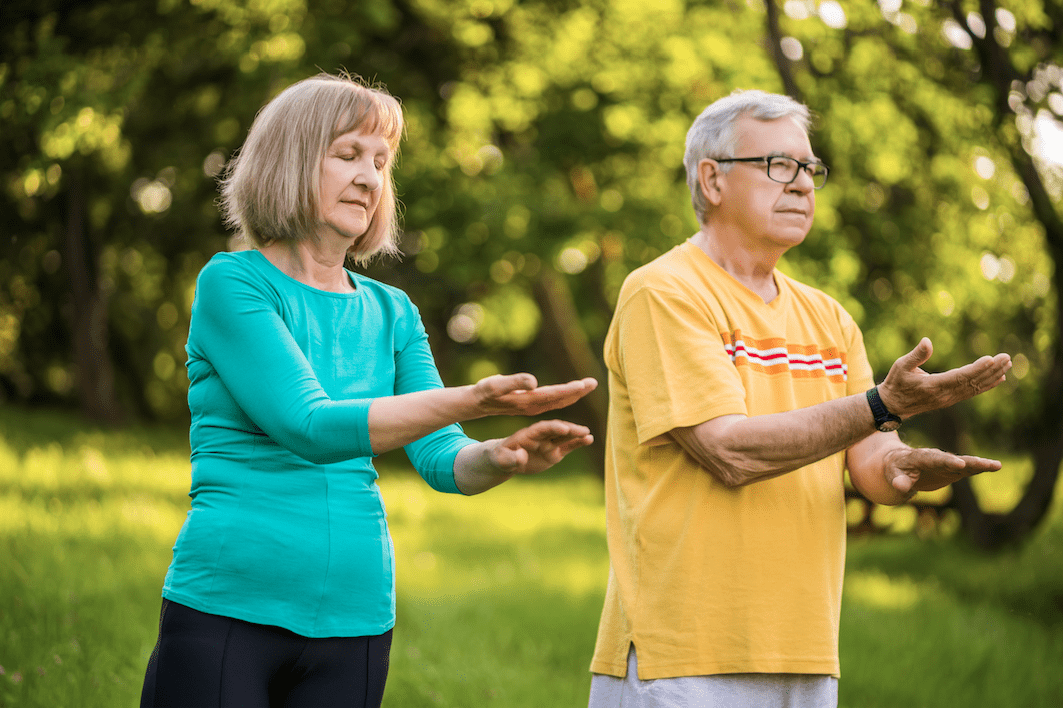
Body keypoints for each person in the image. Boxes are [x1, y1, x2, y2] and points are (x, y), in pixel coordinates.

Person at [139, 72, 598, 708]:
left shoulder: (392, 311)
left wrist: (501, 456)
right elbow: (310, 425)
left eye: (381, 162)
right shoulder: (234, 283)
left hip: (355, 621)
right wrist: (473, 397)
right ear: (291, 161)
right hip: (228, 609)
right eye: (348, 154)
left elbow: (441, 457)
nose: (369, 177)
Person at [587, 89, 1012, 707]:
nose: (803, 185)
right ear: (711, 180)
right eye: (778, 165)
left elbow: (869, 463)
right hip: (680, 653)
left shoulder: (830, 319)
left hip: (805, 651)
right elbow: (729, 452)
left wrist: (904, 468)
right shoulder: (663, 292)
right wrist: (883, 405)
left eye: (810, 169)